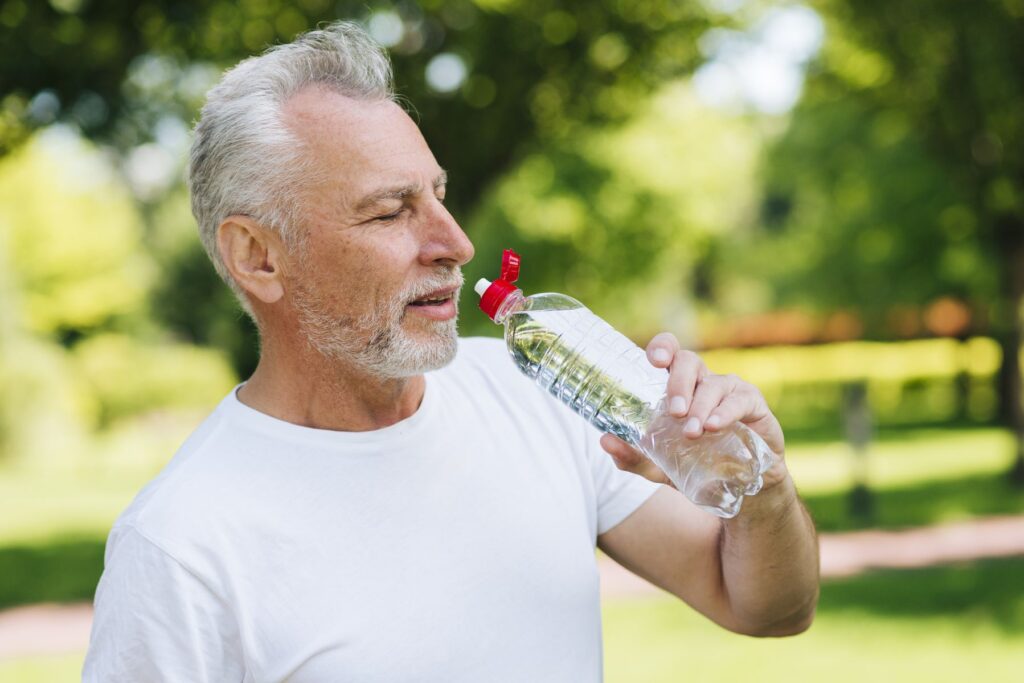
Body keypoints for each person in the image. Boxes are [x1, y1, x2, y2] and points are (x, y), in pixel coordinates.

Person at [83, 21, 818, 682]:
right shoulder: (179, 546)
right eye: (390, 210)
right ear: (259, 257)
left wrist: (760, 488)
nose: (456, 244)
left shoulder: (534, 388)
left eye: (438, 195)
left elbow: (766, 605)